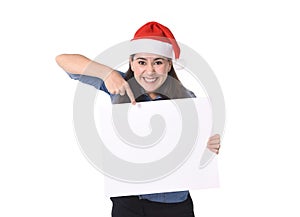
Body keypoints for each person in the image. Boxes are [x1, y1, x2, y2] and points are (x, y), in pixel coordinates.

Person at [56, 21, 221, 217]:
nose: (149, 71)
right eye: (141, 62)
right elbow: (64, 61)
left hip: (174, 204)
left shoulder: (187, 99)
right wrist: (107, 73)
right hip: (128, 202)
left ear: (169, 65)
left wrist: (210, 145)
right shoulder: (119, 86)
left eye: (158, 62)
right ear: (132, 64)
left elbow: (195, 150)